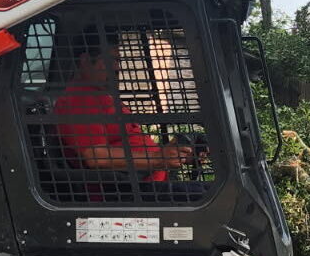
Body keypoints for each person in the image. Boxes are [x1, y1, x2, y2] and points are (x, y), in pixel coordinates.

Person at [53, 28, 203, 199]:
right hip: (128, 193)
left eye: (118, 61)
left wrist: (178, 155)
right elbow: (96, 157)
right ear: (86, 60)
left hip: (147, 184)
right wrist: (157, 159)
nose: (117, 67)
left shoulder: (101, 96)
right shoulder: (79, 101)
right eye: (110, 60)